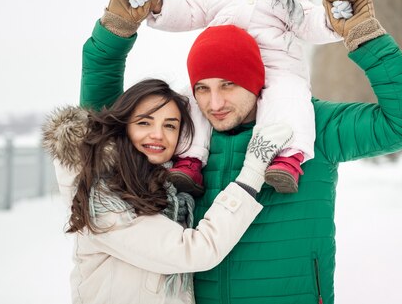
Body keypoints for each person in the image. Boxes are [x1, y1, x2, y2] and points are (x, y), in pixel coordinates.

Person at [81, 0, 402, 304]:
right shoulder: (185, 137)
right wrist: (116, 33)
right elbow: (102, 122)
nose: (214, 104)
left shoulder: (312, 125)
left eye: (228, 85)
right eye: (202, 88)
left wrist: (367, 40)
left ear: (254, 80)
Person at [127, 0, 347, 195]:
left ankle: (287, 158)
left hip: (275, 67)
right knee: (195, 101)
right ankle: (190, 160)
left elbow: (308, 21)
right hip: (224, 72)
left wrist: (334, 20)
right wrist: (158, 4)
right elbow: (189, 10)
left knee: (290, 98)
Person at [42, 78, 293, 304]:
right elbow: (195, 251)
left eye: (170, 126)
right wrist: (253, 169)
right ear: (123, 127)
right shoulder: (103, 197)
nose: (158, 134)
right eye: (144, 122)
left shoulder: (170, 192)